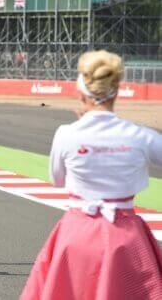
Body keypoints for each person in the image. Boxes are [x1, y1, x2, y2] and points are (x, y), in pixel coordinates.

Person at [21, 50, 162, 300]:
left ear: (81, 92)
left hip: (76, 234)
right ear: (117, 91)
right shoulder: (141, 136)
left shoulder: (67, 134)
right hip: (125, 236)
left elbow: (58, 179)